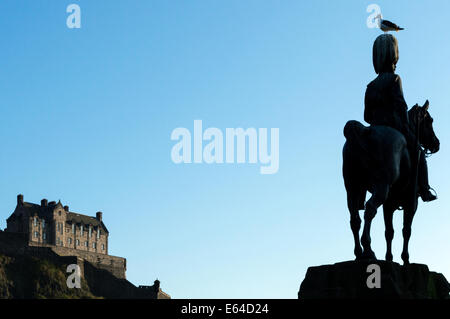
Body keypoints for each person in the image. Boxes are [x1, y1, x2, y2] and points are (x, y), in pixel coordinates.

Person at [364, 34, 436, 202]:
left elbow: (366, 116)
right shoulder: (395, 79)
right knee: (418, 152)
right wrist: (405, 126)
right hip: (394, 127)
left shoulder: (370, 86)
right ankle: (425, 189)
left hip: (373, 128)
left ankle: (360, 197)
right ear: (393, 57)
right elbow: (401, 107)